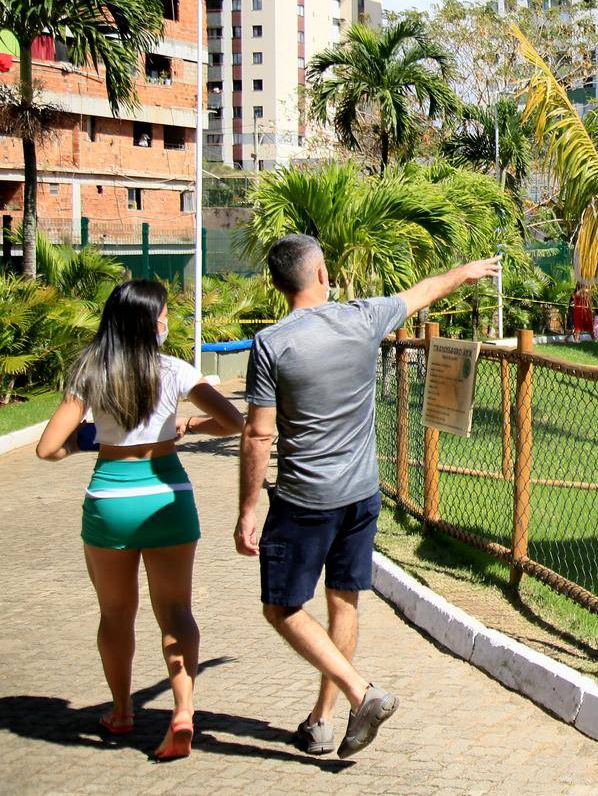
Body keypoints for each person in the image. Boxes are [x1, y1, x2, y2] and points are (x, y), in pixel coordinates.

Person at [237, 234, 499, 758]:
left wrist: (247, 510)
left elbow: (259, 434)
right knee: (344, 601)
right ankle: (322, 721)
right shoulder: (362, 318)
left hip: (304, 501)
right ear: (321, 274)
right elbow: (421, 293)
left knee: (282, 608)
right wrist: (464, 272)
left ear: (277, 284)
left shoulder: (271, 343)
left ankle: (360, 694)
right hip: (361, 495)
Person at [36, 280, 245, 760]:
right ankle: (184, 712)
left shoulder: (90, 370)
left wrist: (88, 442)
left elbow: (48, 448)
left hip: (111, 497)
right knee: (176, 611)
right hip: (168, 494)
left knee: (115, 614)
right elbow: (234, 422)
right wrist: (189, 425)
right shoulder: (175, 370)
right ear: (153, 323)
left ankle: (122, 711)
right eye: (165, 313)